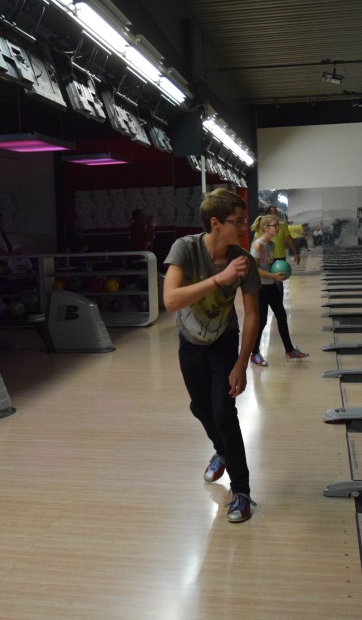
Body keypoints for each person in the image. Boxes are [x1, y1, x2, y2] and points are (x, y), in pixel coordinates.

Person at [163, 188, 261, 524]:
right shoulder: (186, 249)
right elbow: (171, 300)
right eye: (238, 221)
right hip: (190, 342)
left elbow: (252, 315)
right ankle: (221, 450)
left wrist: (241, 364)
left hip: (223, 342)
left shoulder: (244, 261)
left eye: (245, 221)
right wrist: (220, 278)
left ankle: (241, 492)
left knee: (224, 413)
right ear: (216, 223)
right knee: (200, 408)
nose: (244, 227)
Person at [249, 215, 308, 366]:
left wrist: (278, 275)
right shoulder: (258, 245)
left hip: (270, 285)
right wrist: (273, 276)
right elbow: (253, 270)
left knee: (281, 315)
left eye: (278, 225)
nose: (278, 228)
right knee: (262, 320)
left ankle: (290, 350)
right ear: (266, 228)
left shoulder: (271, 245)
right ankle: (254, 354)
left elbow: (269, 266)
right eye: (275, 225)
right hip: (260, 287)